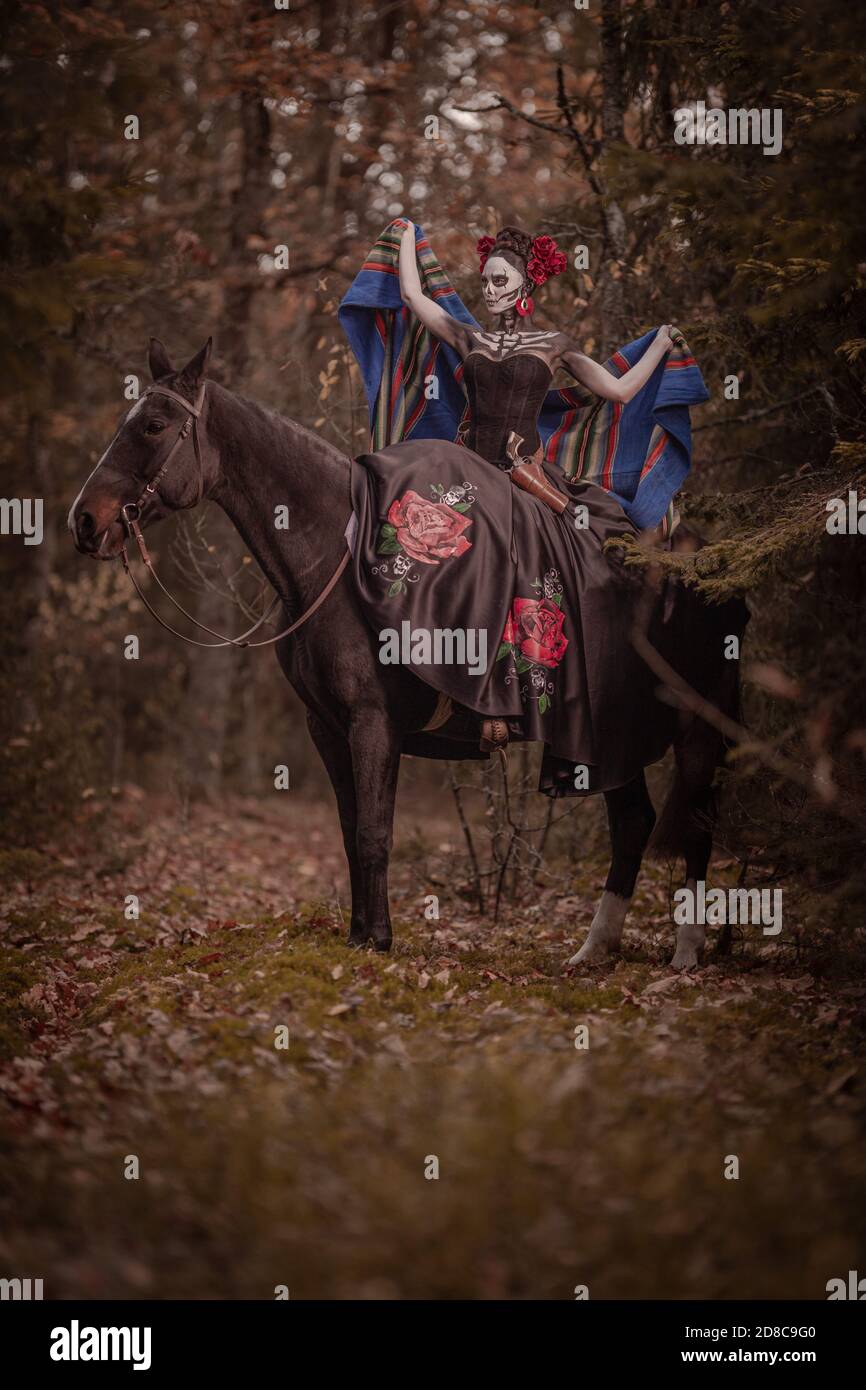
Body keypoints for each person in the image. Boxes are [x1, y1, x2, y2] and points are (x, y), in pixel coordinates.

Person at [339, 220, 709, 794]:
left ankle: (509, 704)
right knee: (406, 491)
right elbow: (412, 298)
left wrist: (661, 342)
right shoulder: (469, 338)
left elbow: (617, 393)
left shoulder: (554, 345)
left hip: (525, 480)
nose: (487, 290)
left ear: (522, 285)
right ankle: (424, 676)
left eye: (498, 281)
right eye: (484, 281)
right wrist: (406, 237)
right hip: (467, 471)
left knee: (549, 570)